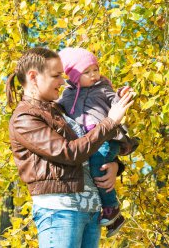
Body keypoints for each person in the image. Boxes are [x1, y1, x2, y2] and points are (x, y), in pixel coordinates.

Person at [6, 47, 134, 248]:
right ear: (33, 76)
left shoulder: (60, 108)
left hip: (90, 209)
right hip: (60, 212)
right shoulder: (25, 117)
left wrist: (115, 166)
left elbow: (88, 146)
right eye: (56, 75)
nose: (62, 81)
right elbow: (69, 152)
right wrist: (110, 122)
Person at [58, 47, 138, 237]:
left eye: (95, 69)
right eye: (87, 72)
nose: (94, 75)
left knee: (98, 168)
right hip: (87, 142)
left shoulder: (103, 87)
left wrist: (122, 93)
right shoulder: (67, 95)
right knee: (96, 169)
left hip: (106, 138)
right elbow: (57, 107)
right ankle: (113, 216)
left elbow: (115, 99)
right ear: (74, 76)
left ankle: (111, 207)